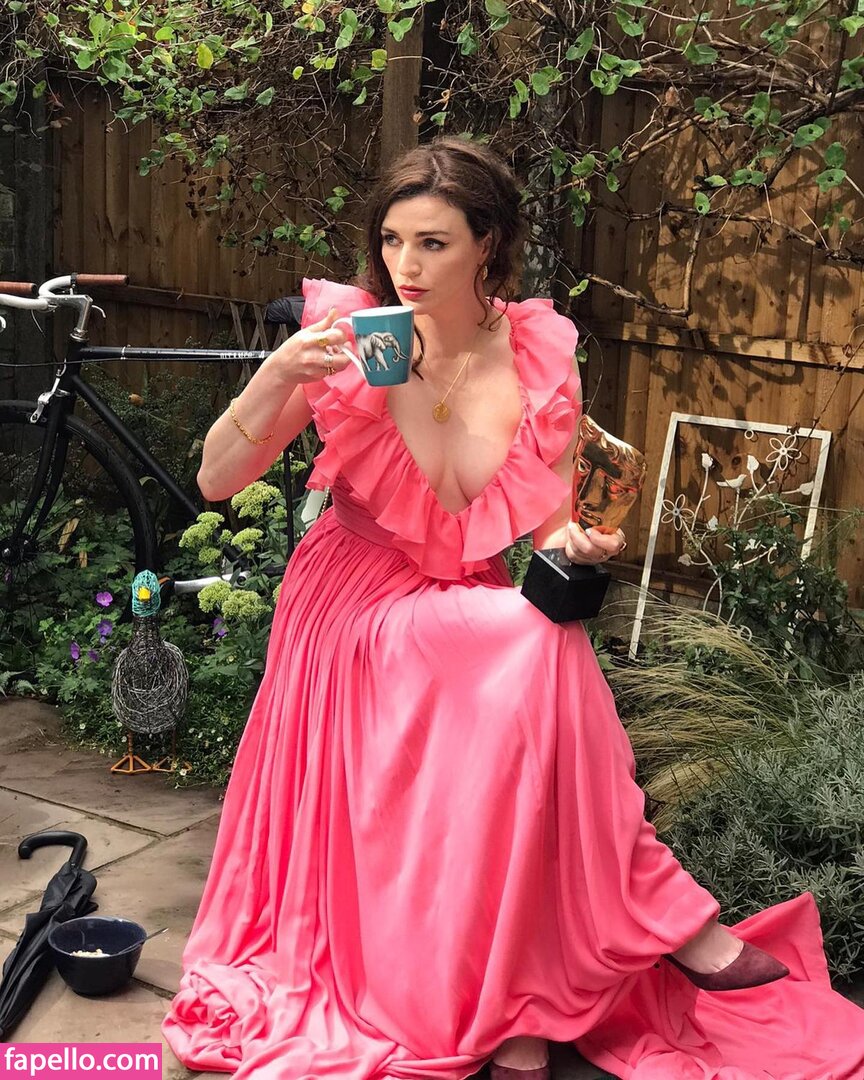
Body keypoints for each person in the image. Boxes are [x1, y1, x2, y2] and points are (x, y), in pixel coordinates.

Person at [163, 138, 864, 1079]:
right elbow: (215, 479)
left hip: (472, 610)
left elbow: (548, 520)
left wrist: (581, 543)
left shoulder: (535, 351)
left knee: (534, 652)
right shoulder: (354, 336)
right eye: (393, 240)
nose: (406, 266)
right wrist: (282, 372)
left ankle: (525, 1012)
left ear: (487, 245)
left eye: (434, 243)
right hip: (356, 605)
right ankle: (663, 924)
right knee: (537, 646)